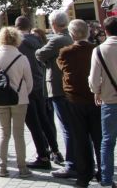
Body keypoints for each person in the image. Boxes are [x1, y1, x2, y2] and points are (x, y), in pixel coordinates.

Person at [58, 19, 102, 188]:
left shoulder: (65, 52)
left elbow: (62, 68)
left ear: (72, 34)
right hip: (95, 98)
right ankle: (102, 172)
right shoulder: (95, 50)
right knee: (98, 138)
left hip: (74, 100)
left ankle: (84, 175)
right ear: (88, 32)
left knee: (80, 138)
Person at [0, 26, 33, 178]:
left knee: (4, 133)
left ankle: (2, 167)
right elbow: (29, 82)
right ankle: (22, 167)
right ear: (17, 39)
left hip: (0, 99)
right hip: (19, 99)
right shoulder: (22, 58)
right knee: (19, 134)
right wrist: (23, 93)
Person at [15, 15, 57, 171]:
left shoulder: (20, 44)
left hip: (27, 86)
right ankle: (55, 150)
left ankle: (43, 156)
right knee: (44, 119)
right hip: (40, 83)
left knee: (33, 123)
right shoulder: (38, 39)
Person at [37, 9, 76, 178]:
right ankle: (77, 160)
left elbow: (39, 54)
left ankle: (71, 164)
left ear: (53, 24)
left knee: (66, 128)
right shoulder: (71, 37)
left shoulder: (59, 39)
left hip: (59, 88)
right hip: (70, 87)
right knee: (73, 127)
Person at [90, 15, 117, 187]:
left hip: (109, 100)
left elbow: (93, 80)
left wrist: (96, 92)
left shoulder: (99, 50)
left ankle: (106, 180)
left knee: (107, 141)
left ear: (104, 31)